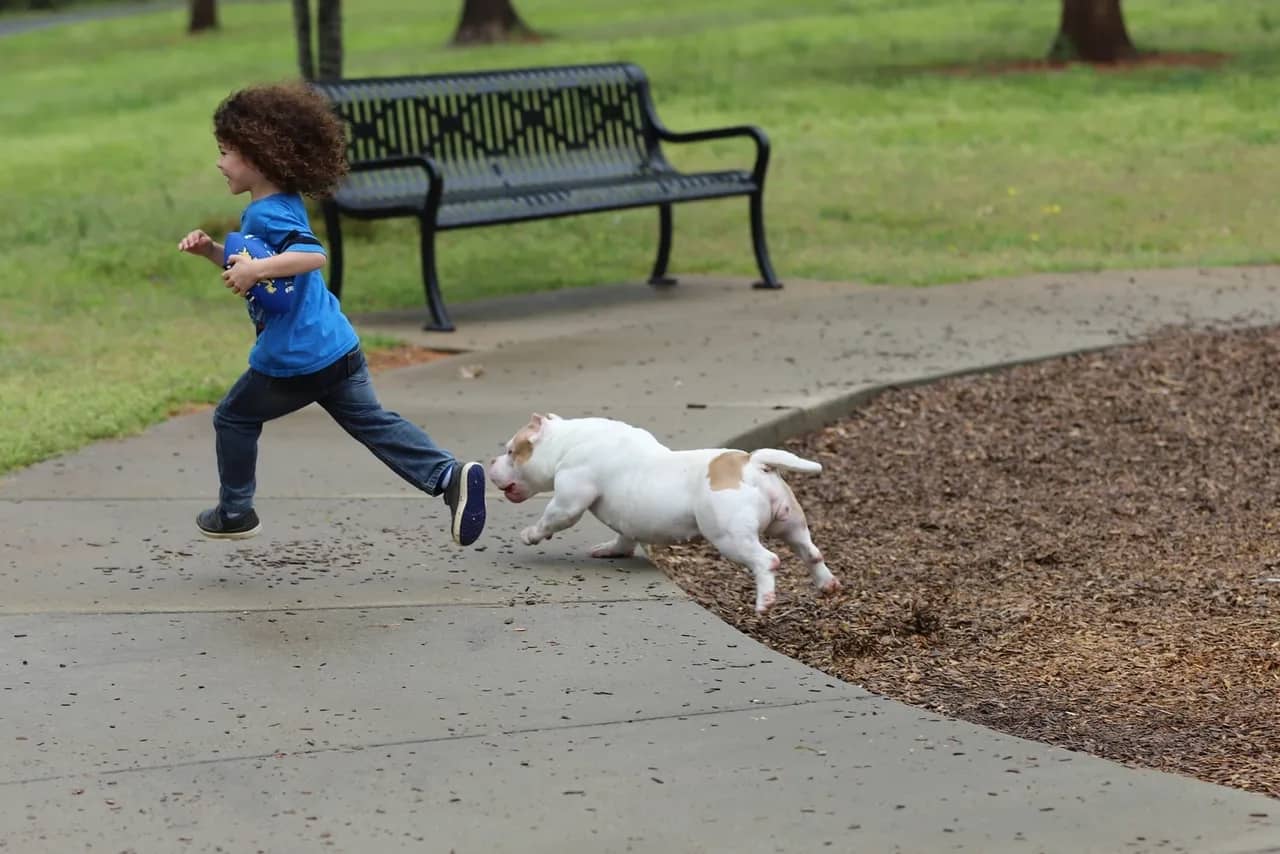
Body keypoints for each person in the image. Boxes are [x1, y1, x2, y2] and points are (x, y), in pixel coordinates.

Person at [177, 82, 486, 546]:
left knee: (233, 419)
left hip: (295, 358)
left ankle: (235, 512)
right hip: (337, 347)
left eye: (226, 152)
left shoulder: (266, 214)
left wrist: (256, 267)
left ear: (258, 156)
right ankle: (450, 476)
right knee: (374, 424)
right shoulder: (279, 204)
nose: (220, 163)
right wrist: (214, 253)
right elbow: (268, 271)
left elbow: (310, 255)